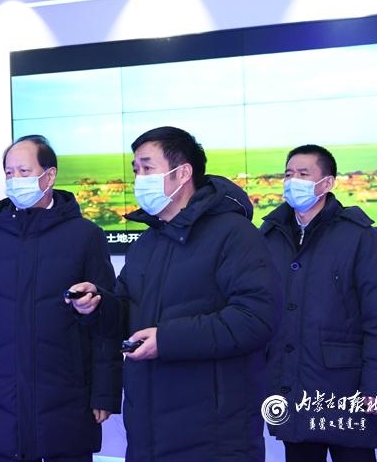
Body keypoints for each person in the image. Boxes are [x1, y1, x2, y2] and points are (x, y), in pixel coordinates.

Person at [68, 126, 280, 462]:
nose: (139, 179)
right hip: (148, 432)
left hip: (214, 437)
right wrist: (97, 305)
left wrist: (167, 340)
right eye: (136, 170)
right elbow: (128, 313)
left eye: (147, 168)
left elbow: (255, 319)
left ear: (182, 173)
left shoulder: (234, 234)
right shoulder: (147, 243)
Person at [0, 135, 121, 462]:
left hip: (68, 397)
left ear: (49, 175)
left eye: (24, 171)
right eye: (9, 173)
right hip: (4, 398)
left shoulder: (85, 235)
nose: (15, 180)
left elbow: (106, 323)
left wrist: (104, 393)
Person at [260, 144, 377, 462]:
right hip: (291, 385)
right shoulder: (270, 235)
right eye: (288, 174)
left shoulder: (359, 237)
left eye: (303, 174)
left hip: (347, 388)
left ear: (326, 183)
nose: (292, 181)